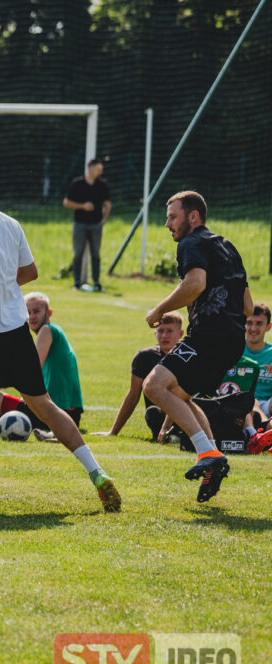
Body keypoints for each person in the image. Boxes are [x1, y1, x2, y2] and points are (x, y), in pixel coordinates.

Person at [0, 163, 120, 512]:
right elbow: (29, 272)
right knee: (44, 404)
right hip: (15, 331)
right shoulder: (8, 222)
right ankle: (97, 473)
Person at [142, 190, 252, 502]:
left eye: (173, 216)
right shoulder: (227, 246)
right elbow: (247, 305)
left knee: (154, 386)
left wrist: (159, 311)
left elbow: (195, 285)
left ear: (193, 217)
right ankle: (212, 458)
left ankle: (207, 453)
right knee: (179, 394)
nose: (167, 224)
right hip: (233, 340)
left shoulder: (192, 243)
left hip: (209, 336)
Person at [0, 292, 84, 440]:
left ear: (49, 313)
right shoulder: (56, 332)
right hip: (69, 414)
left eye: (36, 311)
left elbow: (30, 369)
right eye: (28, 313)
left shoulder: (47, 330)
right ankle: (15, 417)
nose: (32, 316)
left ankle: (17, 419)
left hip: (56, 414)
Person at [93, 311, 184, 439]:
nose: (164, 335)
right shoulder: (145, 357)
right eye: (161, 331)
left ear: (181, 334)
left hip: (185, 412)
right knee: (153, 413)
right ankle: (169, 436)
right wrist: (113, 432)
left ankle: (184, 435)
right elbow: (132, 396)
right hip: (159, 415)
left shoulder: (186, 357)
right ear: (155, 333)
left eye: (169, 331)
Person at [63, 158, 111, 292]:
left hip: (96, 225)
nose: (100, 172)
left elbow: (107, 204)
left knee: (96, 255)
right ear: (90, 168)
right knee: (78, 254)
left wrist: (104, 219)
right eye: (98, 169)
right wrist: (82, 206)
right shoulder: (77, 183)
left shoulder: (102, 185)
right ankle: (77, 283)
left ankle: (96, 282)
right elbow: (66, 202)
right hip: (80, 225)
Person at [242, 302, 272, 452]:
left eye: (259, 323)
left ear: (268, 327)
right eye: (249, 323)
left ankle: (265, 433)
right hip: (244, 406)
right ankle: (265, 429)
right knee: (250, 397)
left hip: (268, 404)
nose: (253, 328)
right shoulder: (235, 350)